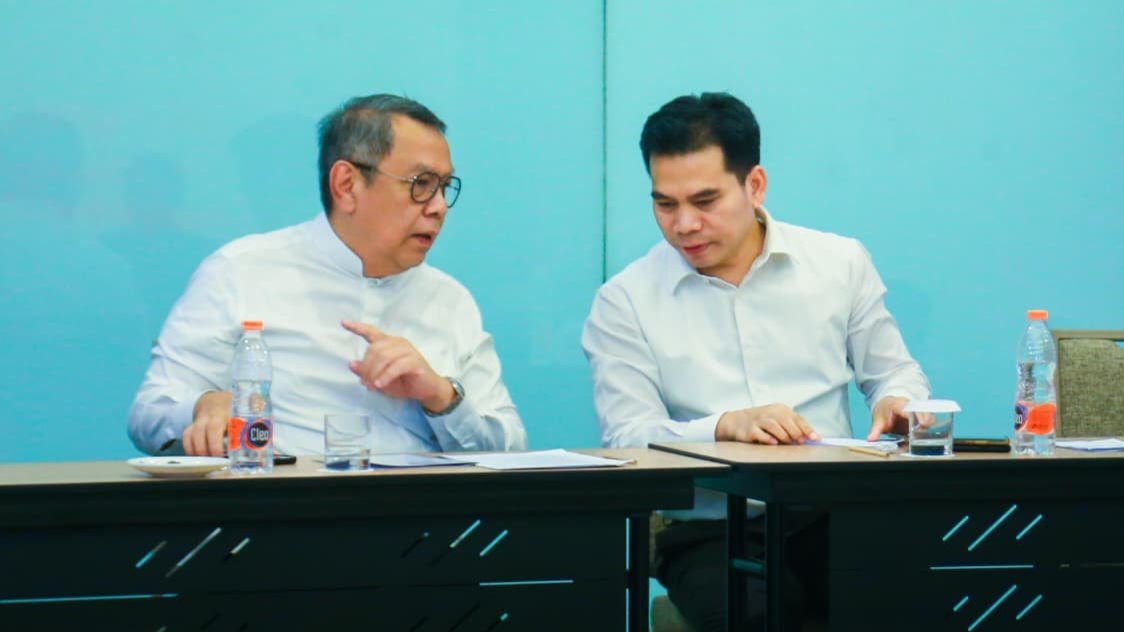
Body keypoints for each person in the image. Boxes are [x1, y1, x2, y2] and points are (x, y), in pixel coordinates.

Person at [582, 93, 930, 630]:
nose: (684, 224)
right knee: (760, 618)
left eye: (705, 201)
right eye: (665, 204)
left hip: (830, 513)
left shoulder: (838, 263)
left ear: (755, 185)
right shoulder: (624, 300)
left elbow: (893, 372)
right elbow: (627, 437)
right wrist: (724, 425)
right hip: (707, 531)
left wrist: (898, 402)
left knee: (910, 602)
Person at [128, 94, 526, 457]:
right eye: (421, 185)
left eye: (444, 187)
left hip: (422, 509)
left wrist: (441, 397)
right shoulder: (241, 271)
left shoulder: (450, 300)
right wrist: (204, 405)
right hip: (281, 505)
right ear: (346, 185)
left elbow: (510, 446)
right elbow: (150, 411)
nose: (439, 207)